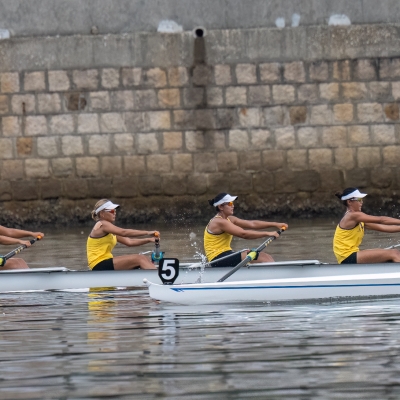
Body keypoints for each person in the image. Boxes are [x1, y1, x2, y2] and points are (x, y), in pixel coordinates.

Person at [204, 193, 288, 267]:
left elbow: (252, 224)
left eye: (232, 203)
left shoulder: (229, 219)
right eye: (229, 203)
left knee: (266, 257)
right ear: (221, 206)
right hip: (217, 258)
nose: (232, 205)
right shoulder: (219, 222)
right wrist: (268, 233)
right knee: (263, 258)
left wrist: (275, 224)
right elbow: (243, 234)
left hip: (226, 254)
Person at [87, 199, 159, 271]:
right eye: (112, 211)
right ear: (102, 213)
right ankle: (159, 277)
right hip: (98, 264)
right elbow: (123, 232)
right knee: (140, 258)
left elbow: (129, 242)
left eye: (115, 211)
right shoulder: (102, 224)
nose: (114, 213)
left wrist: (149, 239)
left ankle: (156, 275)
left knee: (144, 258)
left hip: (105, 261)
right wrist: (148, 233)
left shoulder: (110, 229)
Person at [333, 187, 400, 264]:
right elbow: (381, 220)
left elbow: (383, 227)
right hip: (347, 257)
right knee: (394, 253)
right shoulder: (352, 216)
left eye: (361, 200)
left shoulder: (358, 219)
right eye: (358, 199)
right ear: (349, 202)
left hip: (350, 255)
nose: (361, 202)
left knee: (391, 255)